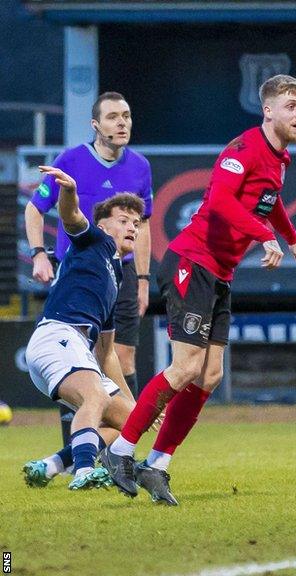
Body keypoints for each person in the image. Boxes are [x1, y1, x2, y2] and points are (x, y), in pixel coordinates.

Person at [101, 74, 296, 506]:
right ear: (268, 110)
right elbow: (219, 203)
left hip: (219, 274)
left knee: (210, 375)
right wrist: (265, 236)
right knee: (185, 368)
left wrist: (290, 238)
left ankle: (156, 466)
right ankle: (119, 451)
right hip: (191, 262)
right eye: (291, 105)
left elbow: (269, 204)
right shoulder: (243, 149)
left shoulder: (279, 160)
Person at [25, 92, 153, 445]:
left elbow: (143, 229)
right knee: (77, 364)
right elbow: (35, 209)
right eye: (113, 117)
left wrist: (142, 279)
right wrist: (38, 253)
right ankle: (75, 448)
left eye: (126, 115)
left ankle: (116, 449)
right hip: (80, 274)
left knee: (121, 358)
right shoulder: (71, 159)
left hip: (122, 276)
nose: (122, 122)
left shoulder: (140, 166)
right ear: (96, 125)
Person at [22, 166, 145, 491]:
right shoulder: (94, 242)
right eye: (124, 220)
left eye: (136, 223)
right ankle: (84, 471)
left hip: (77, 349)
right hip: (57, 336)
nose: (132, 226)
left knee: (129, 422)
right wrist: (69, 192)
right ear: (103, 224)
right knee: (94, 396)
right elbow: (72, 217)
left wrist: (135, 403)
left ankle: (50, 466)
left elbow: (106, 354)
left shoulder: (115, 277)